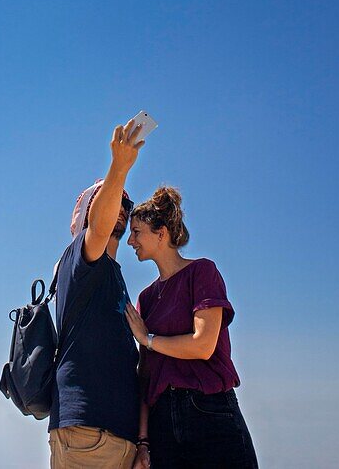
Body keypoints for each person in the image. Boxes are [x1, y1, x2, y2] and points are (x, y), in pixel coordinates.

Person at [124, 187, 258, 469]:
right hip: (162, 424)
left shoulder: (202, 272)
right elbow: (145, 375)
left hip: (209, 412)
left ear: (161, 233)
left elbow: (203, 345)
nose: (130, 241)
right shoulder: (145, 298)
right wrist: (143, 441)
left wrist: (147, 338)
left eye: (137, 232)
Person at [49, 119, 148, 469]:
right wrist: (119, 168)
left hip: (114, 438)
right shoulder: (81, 259)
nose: (122, 206)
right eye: (111, 199)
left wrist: (141, 442)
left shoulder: (112, 274)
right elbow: (99, 227)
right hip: (88, 436)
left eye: (126, 202)